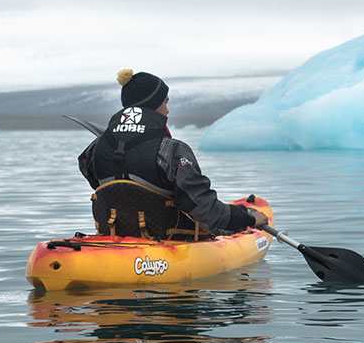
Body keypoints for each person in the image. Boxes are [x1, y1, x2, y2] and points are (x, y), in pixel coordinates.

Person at [78, 69, 266, 239]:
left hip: (114, 234)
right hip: (167, 238)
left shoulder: (93, 150)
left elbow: (103, 185)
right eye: (165, 102)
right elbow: (204, 210)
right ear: (152, 104)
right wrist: (247, 218)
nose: (167, 110)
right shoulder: (172, 151)